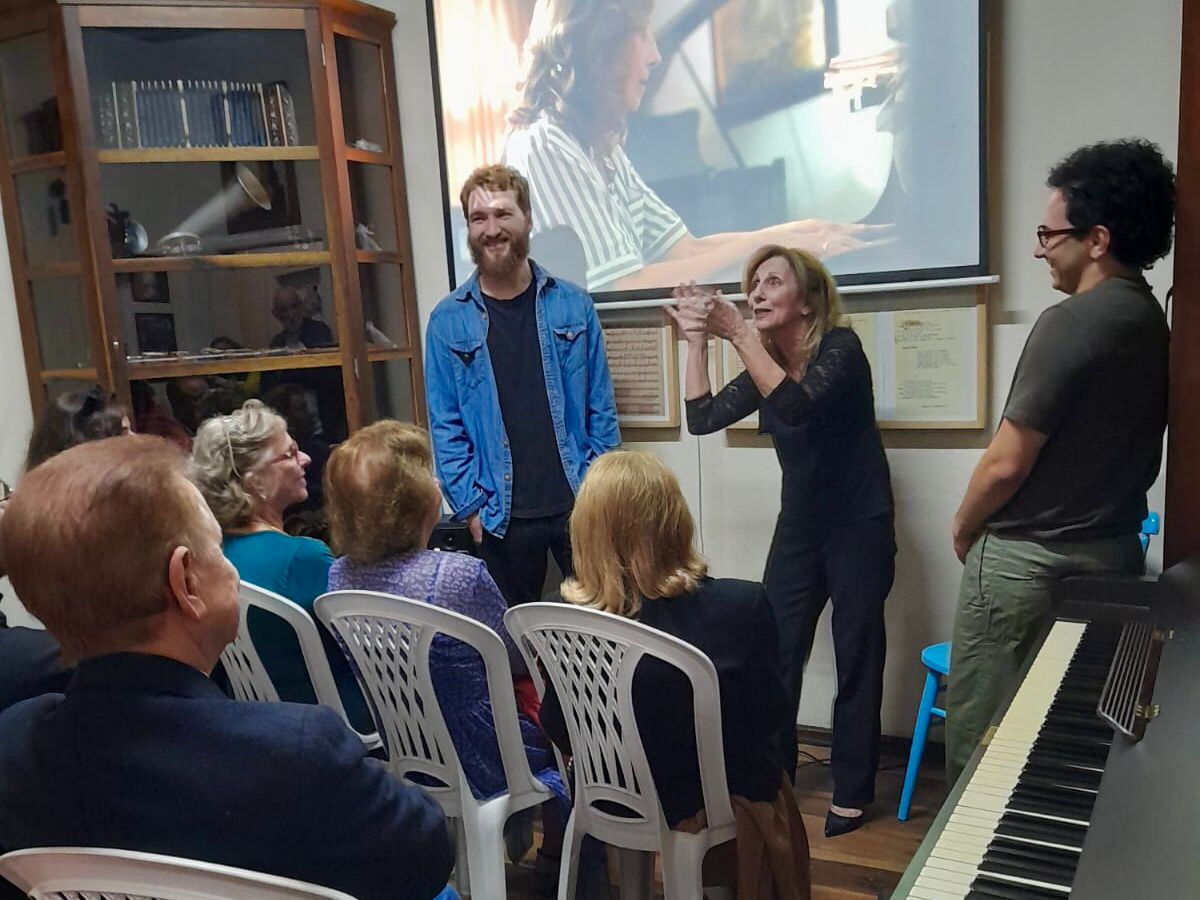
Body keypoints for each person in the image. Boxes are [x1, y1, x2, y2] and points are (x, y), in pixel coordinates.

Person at [0, 435, 454, 900]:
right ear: (185, 582)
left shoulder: (16, 745)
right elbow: (427, 857)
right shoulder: (296, 752)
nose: (233, 571)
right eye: (218, 548)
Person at [945, 139, 1175, 782]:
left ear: (1097, 239)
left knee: (983, 738)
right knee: (1075, 728)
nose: (1039, 247)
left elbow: (1005, 464)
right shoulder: (1154, 322)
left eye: (1050, 233)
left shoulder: (1071, 321)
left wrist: (965, 528)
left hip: (1027, 561)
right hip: (1112, 556)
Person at [669, 245, 894, 837]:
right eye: (753, 284)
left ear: (809, 300)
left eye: (773, 281)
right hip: (800, 525)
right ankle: (776, 776)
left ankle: (852, 787)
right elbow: (701, 417)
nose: (758, 292)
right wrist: (696, 340)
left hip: (859, 524)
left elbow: (795, 408)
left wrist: (737, 331)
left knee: (857, 652)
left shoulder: (842, 351)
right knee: (775, 649)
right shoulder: (765, 361)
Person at [540, 450, 811, 897]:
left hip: (608, 791)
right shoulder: (740, 607)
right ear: (675, 521)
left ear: (583, 530)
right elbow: (769, 717)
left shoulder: (558, 617)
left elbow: (557, 725)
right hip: (708, 799)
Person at [503, 0, 885, 292]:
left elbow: (685, 250)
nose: (655, 55)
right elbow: (621, 288)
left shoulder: (598, 148)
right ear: (599, 49)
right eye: (641, 34)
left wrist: (799, 235)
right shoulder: (544, 145)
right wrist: (781, 247)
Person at [324, 420, 569, 863]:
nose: (437, 482)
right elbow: (516, 659)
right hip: (486, 751)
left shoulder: (339, 575)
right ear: (411, 501)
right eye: (427, 474)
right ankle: (561, 866)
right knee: (563, 718)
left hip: (405, 746)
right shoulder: (457, 575)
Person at [425, 164, 621, 607]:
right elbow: (446, 426)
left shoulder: (572, 304)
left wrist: (599, 492)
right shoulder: (447, 320)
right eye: (479, 218)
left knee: (602, 631)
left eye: (503, 214)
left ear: (528, 219)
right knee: (513, 647)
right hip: (498, 517)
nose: (491, 229)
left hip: (580, 504)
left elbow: (601, 411)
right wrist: (470, 507)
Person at [190, 400, 371, 734]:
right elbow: (368, 650)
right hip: (332, 725)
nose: (306, 460)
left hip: (249, 724)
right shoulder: (302, 557)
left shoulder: (208, 556)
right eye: (289, 454)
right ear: (254, 481)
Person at [269, 286, 335, 350]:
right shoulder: (276, 343)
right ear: (276, 315)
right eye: (283, 310)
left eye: (294, 306)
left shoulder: (319, 331)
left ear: (301, 305)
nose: (291, 314)